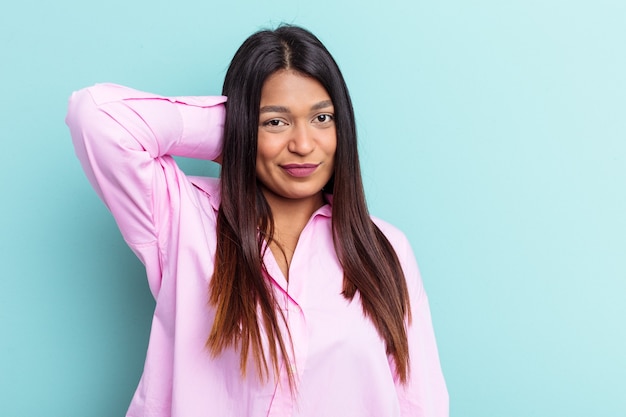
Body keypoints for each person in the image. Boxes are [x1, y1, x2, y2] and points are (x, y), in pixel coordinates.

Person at [66, 25, 448, 417]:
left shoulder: (386, 248)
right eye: (275, 122)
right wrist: (235, 134)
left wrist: (261, 127)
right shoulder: (183, 217)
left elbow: (420, 402)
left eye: (321, 117)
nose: (302, 144)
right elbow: (95, 116)